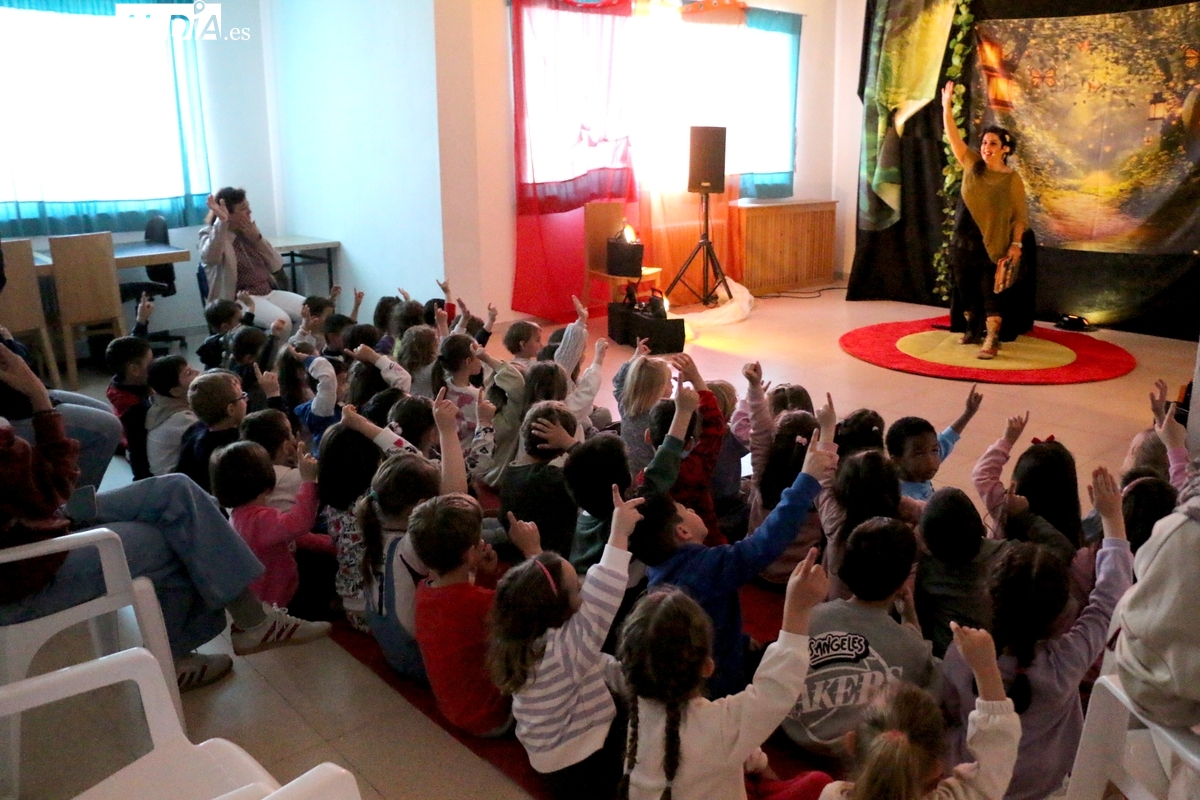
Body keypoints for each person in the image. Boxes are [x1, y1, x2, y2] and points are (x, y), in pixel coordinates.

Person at [0, 344, 329, 689]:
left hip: (33, 523)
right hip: (24, 565)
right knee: (173, 538)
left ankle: (253, 620)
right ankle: (178, 654)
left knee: (175, 490)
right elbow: (53, 488)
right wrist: (37, 396)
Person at [942, 466, 1133, 800]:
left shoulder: (962, 652)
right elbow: (1108, 598)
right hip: (1048, 783)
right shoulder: (1067, 662)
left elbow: (946, 713)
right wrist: (1113, 518)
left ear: (990, 597)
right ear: (1063, 614)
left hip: (971, 783)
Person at [632, 429, 837, 699]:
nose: (691, 510)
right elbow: (765, 543)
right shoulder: (706, 567)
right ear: (682, 532)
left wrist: (739, 641)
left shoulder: (658, 570)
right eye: (685, 510)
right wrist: (807, 480)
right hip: (719, 686)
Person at [616, 549, 833, 800]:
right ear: (708, 667)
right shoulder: (721, 728)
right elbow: (777, 689)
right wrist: (797, 608)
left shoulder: (637, 709)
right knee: (822, 784)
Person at [490, 488, 643, 800]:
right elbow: (604, 591)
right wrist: (619, 530)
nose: (584, 591)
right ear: (558, 610)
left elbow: (544, 585)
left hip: (546, 755)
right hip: (585, 762)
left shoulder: (521, 631)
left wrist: (534, 551)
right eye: (577, 590)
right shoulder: (566, 648)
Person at [781, 517, 940, 756]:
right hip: (862, 754)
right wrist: (910, 620)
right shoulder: (912, 646)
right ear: (902, 583)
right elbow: (931, 679)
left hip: (793, 737)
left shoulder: (807, 616)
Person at [818, 624, 1021, 800]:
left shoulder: (833, 794)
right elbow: (998, 754)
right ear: (937, 768)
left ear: (851, 744)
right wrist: (986, 668)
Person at [411, 493, 541, 736]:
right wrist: (533, 550)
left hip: (454, 709)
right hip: (491, 719)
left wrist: (486, 576)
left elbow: (474, 618)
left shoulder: (424, 591)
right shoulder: (480, 602)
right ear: (470, 553)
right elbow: (545, 603)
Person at [941, 81, 1029, 359]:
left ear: (1005, 149)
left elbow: (1020, 217)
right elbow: (953, 137)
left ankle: (992, 339)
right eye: (984, 143)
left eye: (993, 143)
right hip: (962, 242)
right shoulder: (970, 163)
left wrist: (1016, 245)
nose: (986, 147)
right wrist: (946, 106)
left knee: (992, 295)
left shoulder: (1011, 180)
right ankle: (972, 329)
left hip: (992, 246)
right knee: (966, 291)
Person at [211, 440, 334, 611]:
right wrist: (309, 481)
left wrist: (330, 544)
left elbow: (293, 536)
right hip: (277, 602)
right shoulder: (259, 519)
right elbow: (300, 524)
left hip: (271, 594)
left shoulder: (242, 514)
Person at [200, 187, 304, 335]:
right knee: (282, 323)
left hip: (267, 292)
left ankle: (296, 352)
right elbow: (210, 257)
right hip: (241, 299)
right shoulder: (211, 234)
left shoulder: (249, 231)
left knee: (311, 311)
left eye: (248, 207)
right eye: (243, 209)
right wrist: (221, 223)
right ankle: (274, 357)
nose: (249, 212)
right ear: (228, 213)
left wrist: (257, 240)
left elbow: (277, 264)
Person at [499, 401, 580, 557]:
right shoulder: (552, 479)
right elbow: (598, 470)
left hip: (518, 550)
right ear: (560, 447)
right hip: (553, 559)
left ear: (524, 431)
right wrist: (570, 443)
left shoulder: (511, 470)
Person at [886, 384, 983, 501]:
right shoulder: (902, 501)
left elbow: (947, 438)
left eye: (934, 450)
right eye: (919, 454)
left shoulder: (917, 470)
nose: (931, 460)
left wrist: (968, 413)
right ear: (896, 460)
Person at [175, 371, 247, 493]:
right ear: (231, 409)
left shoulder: (193, 432)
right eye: (242, 396)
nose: (247, 399)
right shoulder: (237, 444)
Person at [145, 355, 200, 477]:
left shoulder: (161, 404)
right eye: (188, 373)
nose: (197, 372)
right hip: (175, 480)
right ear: (175, 391)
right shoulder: (183, 418)